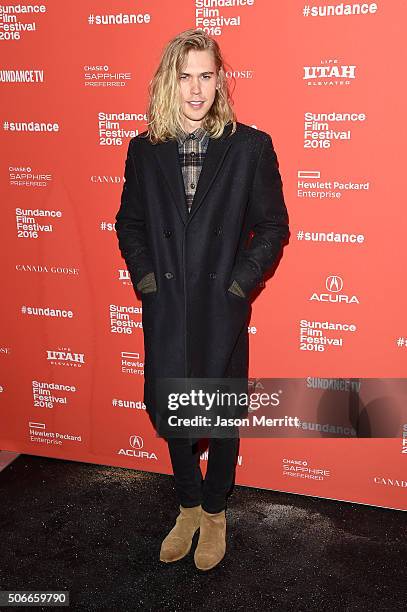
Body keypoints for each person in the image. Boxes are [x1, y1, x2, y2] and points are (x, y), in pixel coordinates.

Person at [115, 28, 289, 571]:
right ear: (171, 81)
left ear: (220, 81)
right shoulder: (145, 150)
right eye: (185, 76)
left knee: (219, 413)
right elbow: (130, 224)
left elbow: (273, 227)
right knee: (173, 406)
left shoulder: (249, 147)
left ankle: (215, 512)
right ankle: (188, 505)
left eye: (205, 76)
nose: (195, 90)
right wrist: (147, 280)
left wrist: (238, 285)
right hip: (167, 302)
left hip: (221, 304)